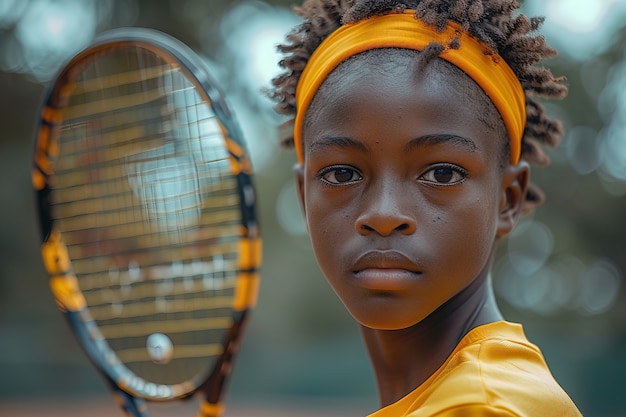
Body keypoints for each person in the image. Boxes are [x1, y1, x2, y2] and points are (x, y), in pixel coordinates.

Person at [270, 0, 582, 415]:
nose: (383, 214)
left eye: (441, 174)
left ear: (508, 198)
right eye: (342, 175)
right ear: (303, 198)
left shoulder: (485, 406)